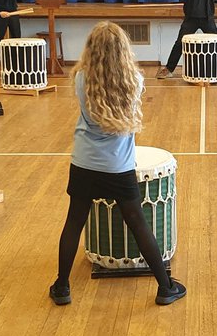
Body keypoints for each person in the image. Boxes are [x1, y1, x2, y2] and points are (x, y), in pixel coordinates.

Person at [51, 22, 187, 307]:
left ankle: (62, 286)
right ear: (123, 50)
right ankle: (165, 286)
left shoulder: (79, 79)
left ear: (91, 49)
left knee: (73, 222)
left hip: (84, 162)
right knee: (137, 223)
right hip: (118, 166)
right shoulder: (134, 80)